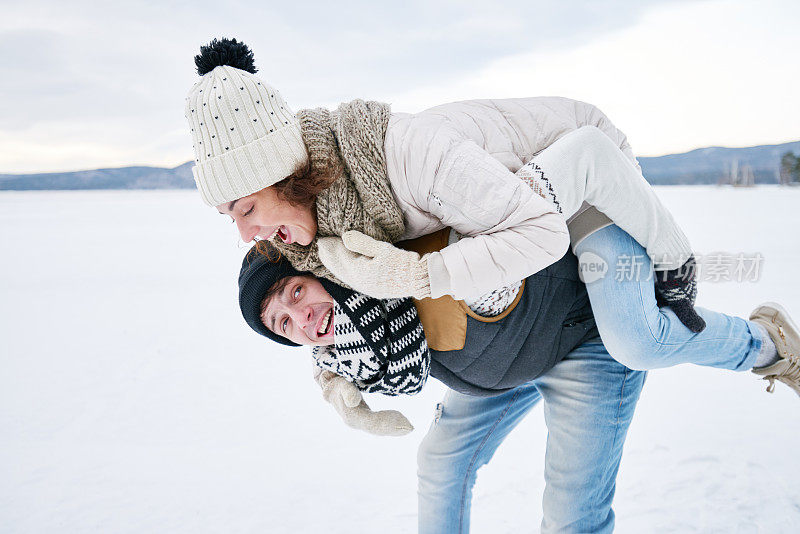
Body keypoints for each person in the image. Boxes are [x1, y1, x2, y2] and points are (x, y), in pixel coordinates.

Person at [185, 38, 800, 532]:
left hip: (585, 192)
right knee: (442, 462)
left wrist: (423, 273)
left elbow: (540, 233)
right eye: (231, 217)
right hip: (505, 348)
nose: (246, 233)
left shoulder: (403, 159)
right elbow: (304, 305)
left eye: (244, 209)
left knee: (632, 346)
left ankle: (768, 345)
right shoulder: (315, 234)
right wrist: (333, 378)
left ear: (278, 174)